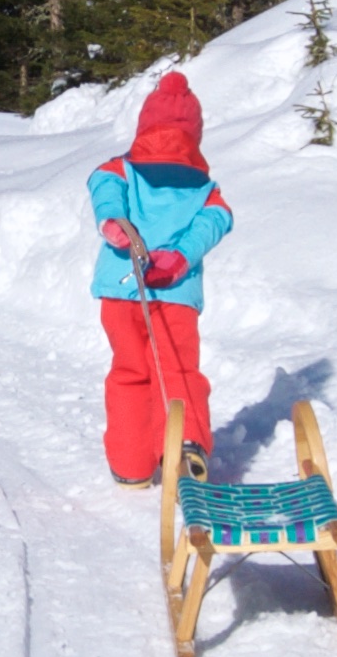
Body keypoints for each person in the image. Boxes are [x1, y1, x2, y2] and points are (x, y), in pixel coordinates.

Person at [89, 70, 233, 483]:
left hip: (120, 288)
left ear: (144, 125)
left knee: (130, 371)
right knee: (178, 370)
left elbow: (104, 193)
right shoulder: (205, 186)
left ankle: (131, 465)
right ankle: (185, 446)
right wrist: (180, 258)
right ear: (196, 133)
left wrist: (114, 223)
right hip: (176, 293)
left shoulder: (118, 168)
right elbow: (217, 219)